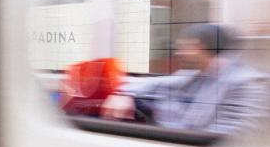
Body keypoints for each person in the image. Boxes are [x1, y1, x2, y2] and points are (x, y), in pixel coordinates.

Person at [101, 23, 269, 135]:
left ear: (199, 47)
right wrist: (123, 93)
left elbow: (230, 138)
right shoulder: (191, 75)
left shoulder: (247, 84)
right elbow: (152, 84)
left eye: (183, 47)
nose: (178, 53)